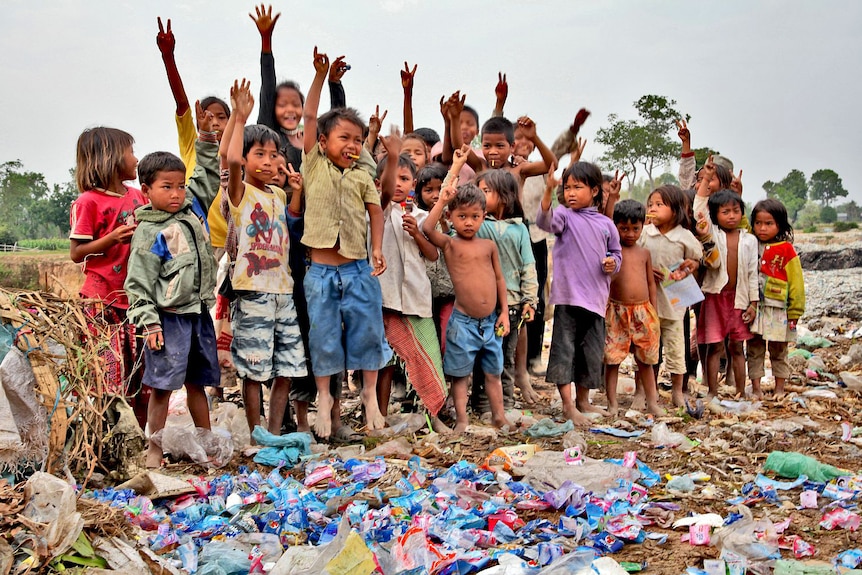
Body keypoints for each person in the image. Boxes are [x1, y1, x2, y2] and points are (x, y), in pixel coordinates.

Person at [301, 47, 399, 439]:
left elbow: (376, 210)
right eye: (345, 138)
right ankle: (324, 398)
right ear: (322, 141)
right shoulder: (313, 163)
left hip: (358, 270)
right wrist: (321, 77)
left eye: (359, 140)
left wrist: (376, 248)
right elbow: (310, 115)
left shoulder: (362, 173)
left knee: (368, 334)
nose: (353, 145)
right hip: (321, 273)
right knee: (323, 337)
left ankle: (370, 397)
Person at [125, 151, 219, 468]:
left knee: (198, 382)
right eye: (167, 187)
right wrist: (150, 325)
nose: (176, 193)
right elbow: (138, 284)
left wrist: (207, 139)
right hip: (168, 321)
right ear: (146, 190)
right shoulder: (149, 233)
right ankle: (155, 450)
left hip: (198, 315)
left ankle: (206, 442)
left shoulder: (190, 213)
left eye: (180, 186)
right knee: (163, 387)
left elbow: (207, 175)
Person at [226, 79, 306, 437]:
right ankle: (256, 431)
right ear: (245, 161)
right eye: (260, 154)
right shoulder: (240, 192)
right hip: (252, 290)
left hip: (283, 292)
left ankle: (273, 433)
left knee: (287, 366)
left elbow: (292, 218)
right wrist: (240, 117)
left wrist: (297, 193)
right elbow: (229, 159)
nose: (270, 160)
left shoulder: (277, 192)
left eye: (275, 154)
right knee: (255, 367)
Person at [69, 127, 148, 424]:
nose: (136, 159)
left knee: (140, 375)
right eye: (130, 152)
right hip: (102, 301)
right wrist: (112, 239)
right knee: (107, 375)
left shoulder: (139, 197)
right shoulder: (88, 201)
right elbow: (77, 253)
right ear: (112, 158)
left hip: (137, 301)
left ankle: (137, 437)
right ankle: (105, 436)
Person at [422, 182, 514, 433]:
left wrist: (504, 312)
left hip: (491, 321)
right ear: (450, 217)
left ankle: (499, 417)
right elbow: (427, 228)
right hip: (463, 323)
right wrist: (442, 201)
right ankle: (462, 420)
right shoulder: (451, 245)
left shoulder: (489, 247)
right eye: (462, 216)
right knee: (460, 375)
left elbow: (499, 279)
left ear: (484, 217)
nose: (469, 223)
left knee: (493, 372)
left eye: (475, 217)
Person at [537, 162, 621, 426]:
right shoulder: (564, 216)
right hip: (568, 298)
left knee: (590, 353)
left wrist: (612, 263)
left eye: (578, 187)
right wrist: (549, 191)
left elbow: (617, 254)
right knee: (565, 351)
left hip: (595, 301)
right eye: (568, 187)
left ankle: (584, 401)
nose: (571, 192)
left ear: (595, 190)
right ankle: (568, 405)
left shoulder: (606, 224)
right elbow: (545, 220)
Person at [373, 154, 448, 428]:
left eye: (404, 179)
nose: (398, 184)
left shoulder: (421, 216)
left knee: (427, 359)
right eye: (392, 179)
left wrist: (417, 233)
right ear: (378, 183)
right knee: (386, 363)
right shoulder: (377, 213)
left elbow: (432, 256)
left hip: (417, 299)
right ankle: (379, 416)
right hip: (387, 299)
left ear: (413, 184)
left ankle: (433, 415)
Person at [472, 169, 538, 413]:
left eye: (486, 191)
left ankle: (506, 403)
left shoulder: (519, 229)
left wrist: (529, 301)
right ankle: (481, 405)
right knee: (483, 355)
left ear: (505, 196)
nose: (480, 195)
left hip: (511, 306)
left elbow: (528, 267)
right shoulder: (478, 224)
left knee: (505, 357)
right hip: (482, 305)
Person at [251, 4, 347, 172]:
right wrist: (266, 42)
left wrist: (334, 83)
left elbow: (337, 122)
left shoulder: (311, 135)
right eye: (282, 105)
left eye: (296, 105)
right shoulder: (268, 132)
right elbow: (267, 88)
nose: (290, 110)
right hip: (277, 196)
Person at [693, 162, 759, 398]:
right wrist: (706, 179)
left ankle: (741, 391)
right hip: (715, 297)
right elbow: (699, 207)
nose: (731, 216)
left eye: (736, 211)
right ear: (715, 216)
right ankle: (712, 391)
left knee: (737, 346)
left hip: (739, 300)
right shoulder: (713, 234)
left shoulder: (749, 240)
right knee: (714, 346)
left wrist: (753, 303)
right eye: (725, 212)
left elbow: (752, 274)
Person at [638, 185, 703, 407]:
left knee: (676, 351)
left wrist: (690, 265)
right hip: (648, 303)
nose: (653, 209)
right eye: (650, 205)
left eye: (659, 205)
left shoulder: (684, 236)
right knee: (648, 351)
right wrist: (645, 270)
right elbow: (633, 255)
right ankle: (647, 391)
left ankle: (677, 391)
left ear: (675, 210)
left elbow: (696, 258)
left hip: (675, 303)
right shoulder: (645, 233)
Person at [604, 199, 663, 416]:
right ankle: (612, 404)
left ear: (643, 225)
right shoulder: (613, 252)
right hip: (616, 312)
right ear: (615, 226)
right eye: (624, 228)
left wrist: (653, 312)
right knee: (612, 360)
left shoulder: (644, 253)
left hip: (642, 311)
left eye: (635, 229)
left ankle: (652, 402)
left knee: (646, 361)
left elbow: (650, 284)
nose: (630, 233)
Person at [748, 199, 805, 397]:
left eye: (768, 223)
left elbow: (796, 283)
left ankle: (780, 388)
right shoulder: (751, 244)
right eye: (758, 223)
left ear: (779, 224)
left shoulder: (787, 250)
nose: (762, 228)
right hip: (755, 307)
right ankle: (756, 388)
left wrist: (795, 311)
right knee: (754, 349)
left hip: (778, 309)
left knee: (779, 350)